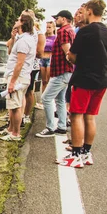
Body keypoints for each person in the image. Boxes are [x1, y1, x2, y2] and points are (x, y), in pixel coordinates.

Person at [57, 0, 107, 168]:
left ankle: (75, 154)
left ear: (89, 11)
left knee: (76, 115)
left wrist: (70, 57)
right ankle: (86, 152)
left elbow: (72, 55)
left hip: (84, 78)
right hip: (102, 78)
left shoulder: (86, 31)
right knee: (90, 116)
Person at [35, 9, 75, 138]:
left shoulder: (63, 31)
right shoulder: (71, 30)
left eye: (57, 18)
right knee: (60, 100)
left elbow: (68, 53)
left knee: (46, 98)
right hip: (65, 72)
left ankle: (50, 127)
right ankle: (62, 126)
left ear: (63, 19)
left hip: (61, 71)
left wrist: (69, 63)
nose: (55, 20)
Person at [0, 14, 37, 141]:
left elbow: (19, 63)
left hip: (19, 77)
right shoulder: (22, 39)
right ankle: (11, 129)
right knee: (15, 104)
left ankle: (16, 133)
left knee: (15, 106)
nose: (16, 21)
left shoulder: (24, 41)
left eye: (18, 19)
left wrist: (12, 82)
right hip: (21, 77)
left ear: (23, 23)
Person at [39, 20, 56, 91]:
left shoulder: (55, 37)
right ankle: (43, 98)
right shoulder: (44, 37)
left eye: (49, 27)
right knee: (44, 81)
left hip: (50, 58)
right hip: (42, 58)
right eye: (47, 27)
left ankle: (49, 98)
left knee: (48, 80)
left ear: (53, 28)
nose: (48, 29)